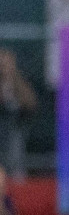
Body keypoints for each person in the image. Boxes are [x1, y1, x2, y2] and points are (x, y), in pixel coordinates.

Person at [0, 49, 36, 180]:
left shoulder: (19, 81)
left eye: (7, 62)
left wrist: (12, 78)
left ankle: (17, 181)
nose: (4, 66)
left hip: (15, 132)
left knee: (15, 147)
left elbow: (30, 103)